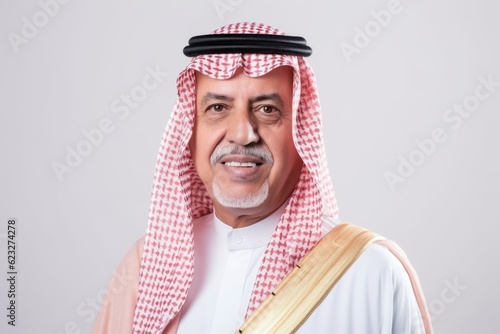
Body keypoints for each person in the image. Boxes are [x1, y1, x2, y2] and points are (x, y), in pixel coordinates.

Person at [92, 22, 433, 334]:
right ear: (189, 133)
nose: (242, 134)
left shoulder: (369, 271)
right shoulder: (144, 267)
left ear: (300, 134)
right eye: (217, 108)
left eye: (267, 110)